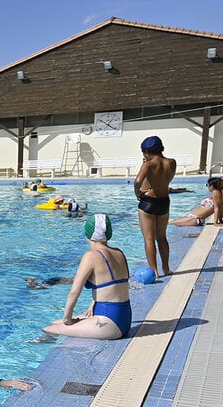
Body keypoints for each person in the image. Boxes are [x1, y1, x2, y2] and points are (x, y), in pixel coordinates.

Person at [43, 214, 132, 339]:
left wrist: (67, 319)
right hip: (125, 317)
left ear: (88, 235)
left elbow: (74, 292)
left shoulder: (91, 256)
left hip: (108, 322)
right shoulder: (119, 253)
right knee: (55, 322)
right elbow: (113, 285)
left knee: (50, 329)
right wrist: (93, 305)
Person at [134, 136, 176, 277]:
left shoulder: (148, 165)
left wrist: (137, 193)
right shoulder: (171, 162)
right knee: (162, 237)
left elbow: (138, 181)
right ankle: (166, 268)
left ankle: (155, 271)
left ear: (146, 151)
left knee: (149, 238)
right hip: (164, 201)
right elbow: (165, 179)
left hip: (148, 202)